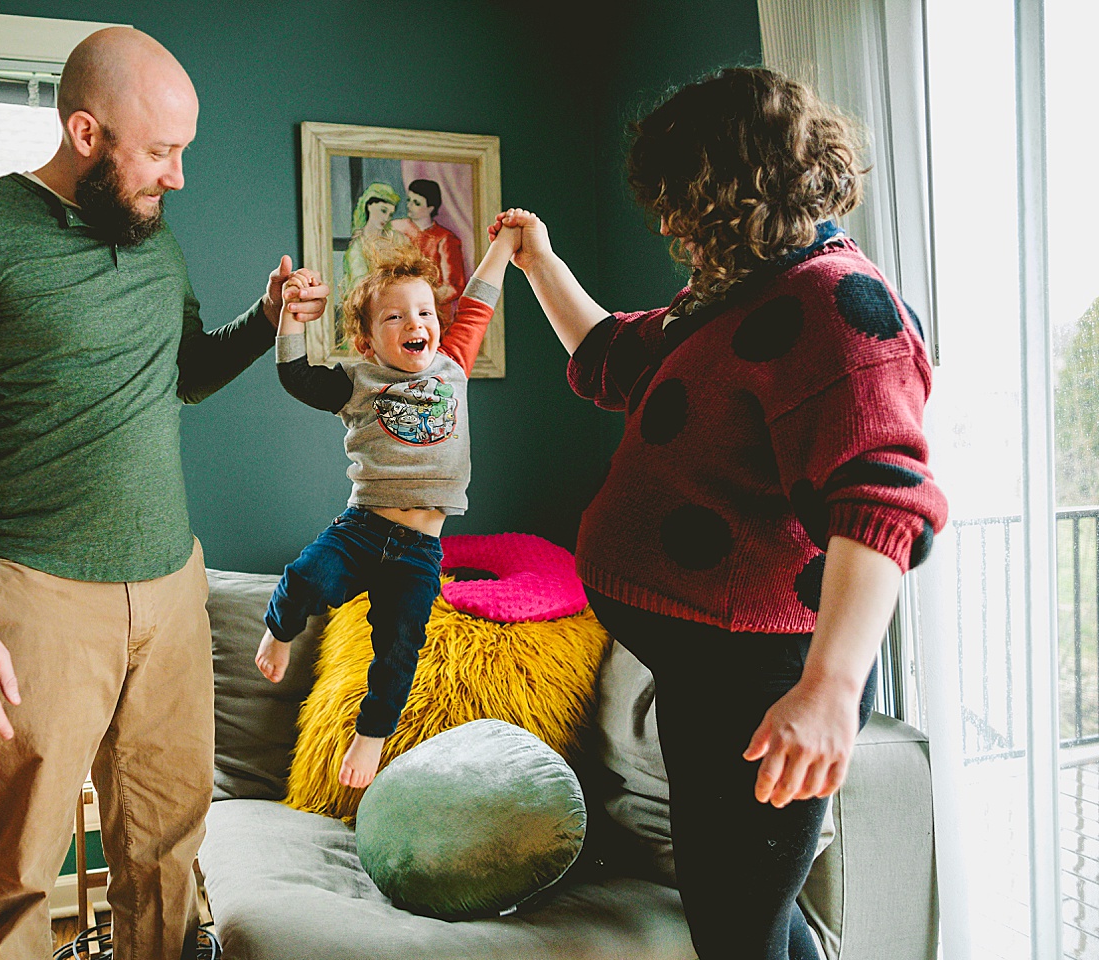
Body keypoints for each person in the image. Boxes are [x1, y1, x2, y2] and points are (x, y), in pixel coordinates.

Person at [0, 26, 328, 960]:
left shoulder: (151, 235)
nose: (180, 176)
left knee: (165, 855)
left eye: (183, 151)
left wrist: (265, 320)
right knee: (19, 876)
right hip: (33, 594)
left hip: (169, 588)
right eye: (160, 152)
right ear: (85, 133)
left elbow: (183, 371)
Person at [493, 68, 947, 960]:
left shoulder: (839, 310)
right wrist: (539, 261)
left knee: (737, 932)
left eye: (680, 207)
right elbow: (611, 358)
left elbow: (885, 504)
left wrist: (829, 690)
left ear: (736, 194)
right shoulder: (738, 291)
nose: (667, 228)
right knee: (741, 921)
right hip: (703, 677)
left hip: (760, 680)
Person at [253, 225, 518, 788]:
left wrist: (502, 245)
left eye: (424, 312)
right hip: (363, 529)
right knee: (305, 578)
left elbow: (478, 301)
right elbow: (296, 378)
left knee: (399, 648)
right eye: (395, 317)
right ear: (369, 341)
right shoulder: (358, 380)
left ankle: (370, 739)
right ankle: (279, 629)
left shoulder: (452, 366)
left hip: (421, 550)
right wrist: (291, 323)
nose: (415, 324)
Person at [392, 178, 469, 322]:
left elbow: (454, 286)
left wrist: (422, 302)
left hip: (432, 316)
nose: (409, 206)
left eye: (417, 203)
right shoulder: (397, 228)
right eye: (409, 200)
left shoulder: (444, 239)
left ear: (431, 208)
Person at [337, 181, 405, 344]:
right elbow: (359, 285)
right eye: (383, 211)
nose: (386, 217)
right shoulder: (357, 248)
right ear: (369, 206)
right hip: (374, 316)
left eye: (389, 214)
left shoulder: (398, 239)